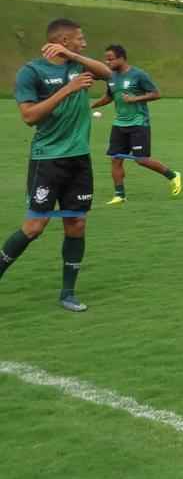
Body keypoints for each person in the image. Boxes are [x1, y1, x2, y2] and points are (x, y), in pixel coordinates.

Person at [1, 18, 113, 312]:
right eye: (80, 39)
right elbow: (29, 117)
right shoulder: (31, 72)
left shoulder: (79, 64)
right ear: (63, 40)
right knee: (35, 226)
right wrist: (68, 89)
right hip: (47, 159)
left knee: (76, 224)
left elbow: (107, 73)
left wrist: (74, 59)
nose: (85, 43)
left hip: (79, 158)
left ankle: (67, 293)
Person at [89, 45, 182, 205]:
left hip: (139, 122)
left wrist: (134, 99)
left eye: (111, 58)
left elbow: (156, 94)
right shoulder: (110, 77)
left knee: (141, 160)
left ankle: (173, 175)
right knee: (116, 159)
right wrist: (89, 107)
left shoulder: (138, 75)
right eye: (106, 59)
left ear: (122, 58)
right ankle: (120, 195)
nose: (107, 62)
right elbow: (108, 97)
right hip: (119, 124)